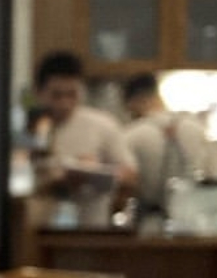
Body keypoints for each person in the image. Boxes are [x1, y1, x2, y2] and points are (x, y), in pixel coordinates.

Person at [29, 50, 138, 227]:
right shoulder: (30, 128)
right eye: (56, 95)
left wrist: (95, 170)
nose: (64, 103)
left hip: (91, 226)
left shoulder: (101, 125)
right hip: (37, 228)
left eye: (72, 94)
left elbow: (131, 176)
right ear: (39, 93)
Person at [121, 71, 212, 215]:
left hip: (151, 220)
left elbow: (125, 184)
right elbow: (213, 176)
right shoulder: (196, 128)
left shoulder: (132, 135)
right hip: (193, 219)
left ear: (133, 102)